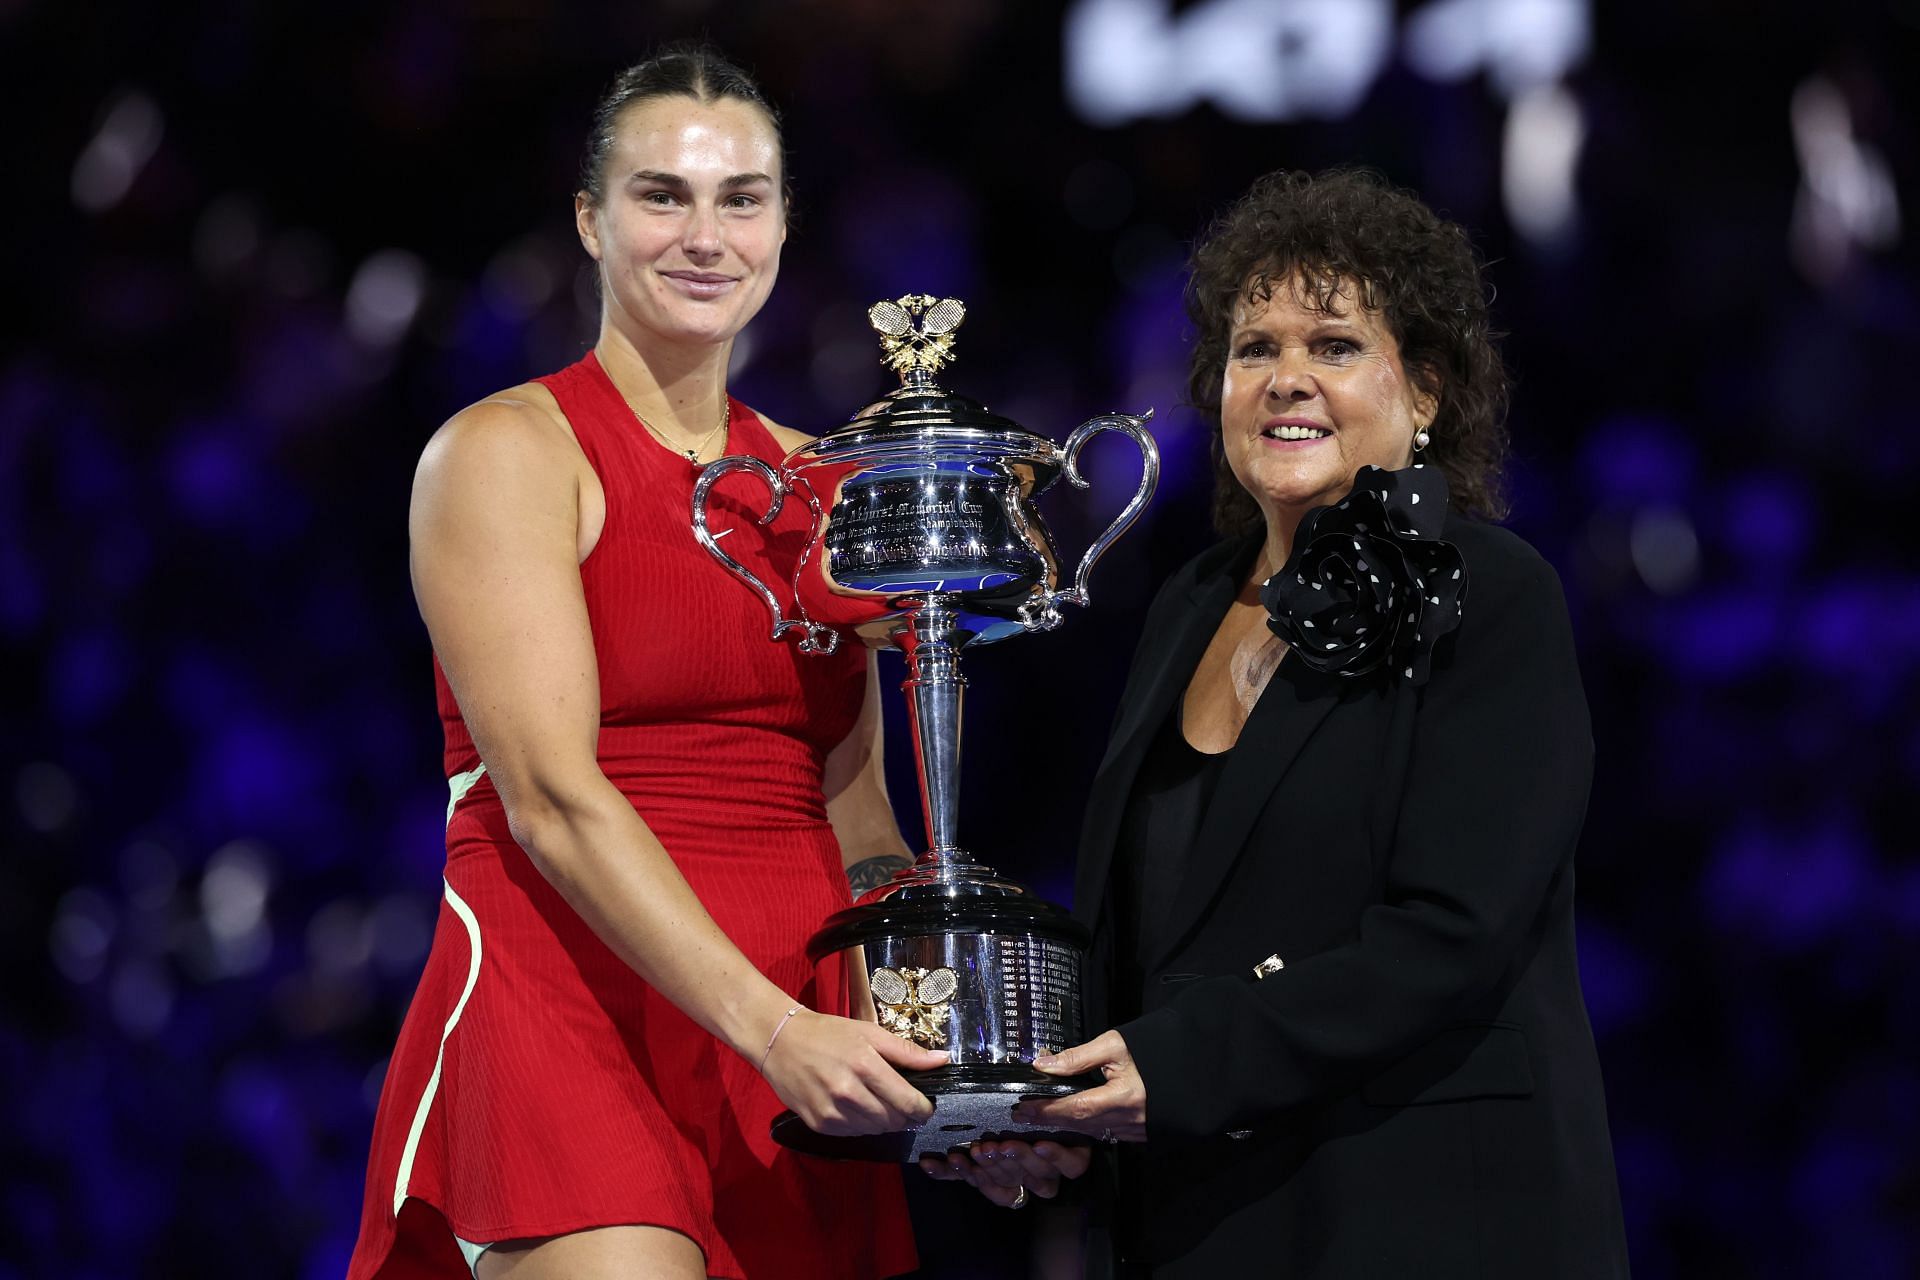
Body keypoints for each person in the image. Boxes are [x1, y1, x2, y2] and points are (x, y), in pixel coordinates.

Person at [927, 168, 1630, 1278]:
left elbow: (1451, 929)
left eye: (1335, 345)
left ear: (1427, 392)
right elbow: (1156, 932)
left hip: (1424, 1207)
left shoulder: (1493, 591)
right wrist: (1054, 1099)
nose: (1285, 378)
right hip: (1203, 1211)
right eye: (1254, 348)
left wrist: (1175, 1061)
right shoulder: (1186, 606)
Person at [347, 43, 944, 1280]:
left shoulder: (827, 482)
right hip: (571, 988)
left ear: (783, 225)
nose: (704, 234)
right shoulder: (509, 452)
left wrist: (942, 1043)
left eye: (742, 198)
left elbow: (860, 809)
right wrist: (771, 1028)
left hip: (794, 999)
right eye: (660, 195)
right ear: (590, 219)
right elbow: (554, 801)